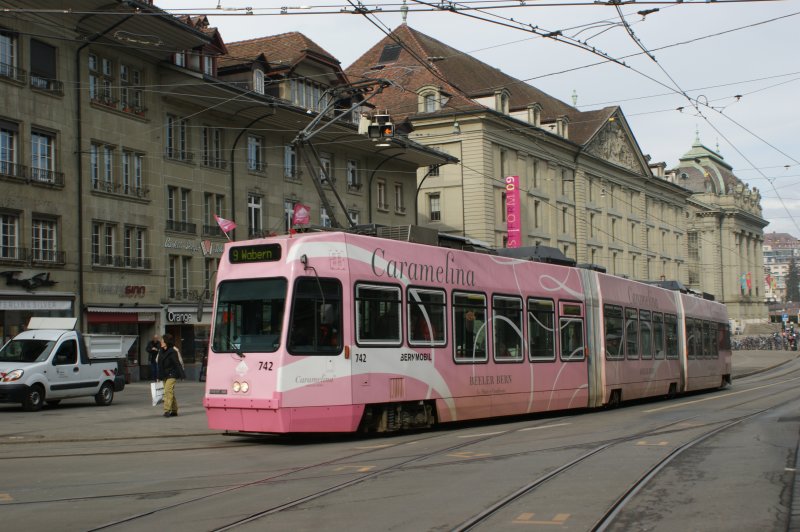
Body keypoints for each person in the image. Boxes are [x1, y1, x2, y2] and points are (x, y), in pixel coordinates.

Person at [158, 333, 184, 418]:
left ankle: (166, 410)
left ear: (166, 341)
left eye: (162, 340)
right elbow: (159, 365)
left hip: (172, 374)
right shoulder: (161, 351)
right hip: (164, 375)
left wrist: (182, 375)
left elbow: (177, 363)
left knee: (167, 391)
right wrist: (158, 376)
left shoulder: (172, 351)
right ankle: (174, 410)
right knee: (170, 392)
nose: (161, 341)